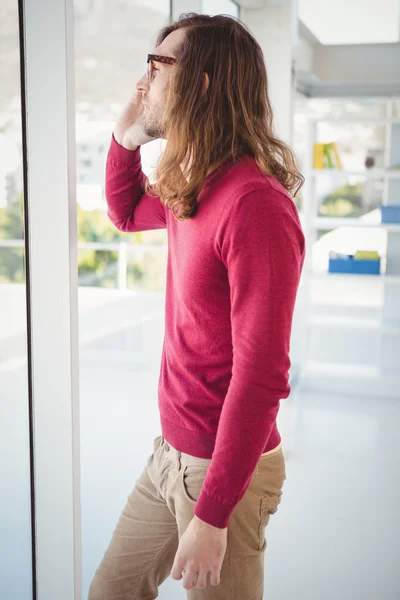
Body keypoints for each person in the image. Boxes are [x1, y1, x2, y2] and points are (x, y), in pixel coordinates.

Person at [88, 12, 305, 600]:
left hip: (221, 477)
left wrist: (212, 515)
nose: (143, 83)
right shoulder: (198, 183)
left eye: (157, 67)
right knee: (109, 592)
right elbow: (127, 211)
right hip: (171, 456)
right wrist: (124, 138)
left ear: (201, 83)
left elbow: (262, 376)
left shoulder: (254, 204)